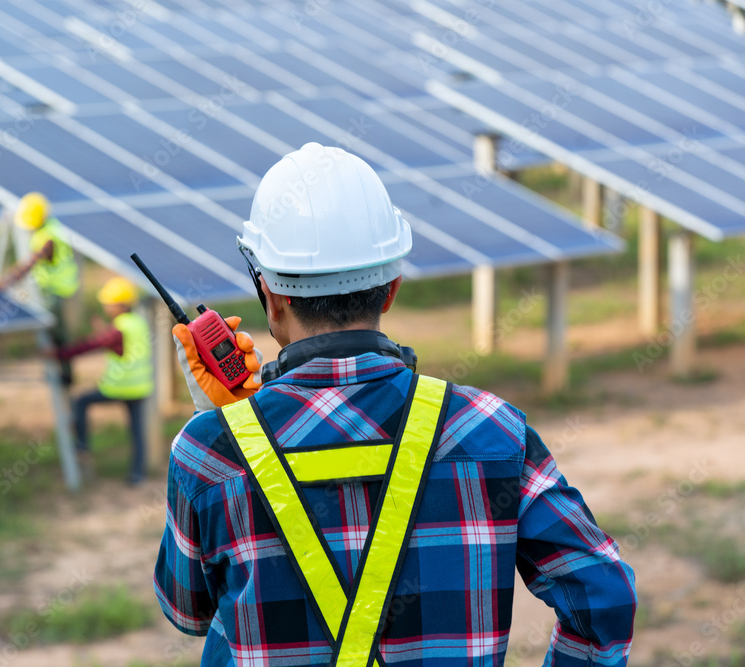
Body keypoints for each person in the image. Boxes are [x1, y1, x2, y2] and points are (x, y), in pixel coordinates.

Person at [154, 143, 636, 666]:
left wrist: (219, 422)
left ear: (270, 293)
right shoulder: (493, 431)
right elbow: (603, 597)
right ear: (391, 288)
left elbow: (188, 613)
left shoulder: (208, 454)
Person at [54, 276, 154, 484]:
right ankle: (138, 474)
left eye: (109, 304)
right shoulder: (138, 322)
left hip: (119, 386)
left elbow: (92, 345)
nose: (106, 307)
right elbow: (120, 347)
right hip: (141, 386)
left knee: (80, 401)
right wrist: (104, 331)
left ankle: (82, 446)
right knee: (137, 431)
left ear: (121, 305)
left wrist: (60, 353)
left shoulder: (119, 327)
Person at [0, 192, 79, 386]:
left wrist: (4, 282)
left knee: (58, 334)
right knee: (55, 333)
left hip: (57, 290)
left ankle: (66, 375)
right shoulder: (51, 227)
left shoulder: (48, 239)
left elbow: (28, 265)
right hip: (56, 287)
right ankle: (62, 371)